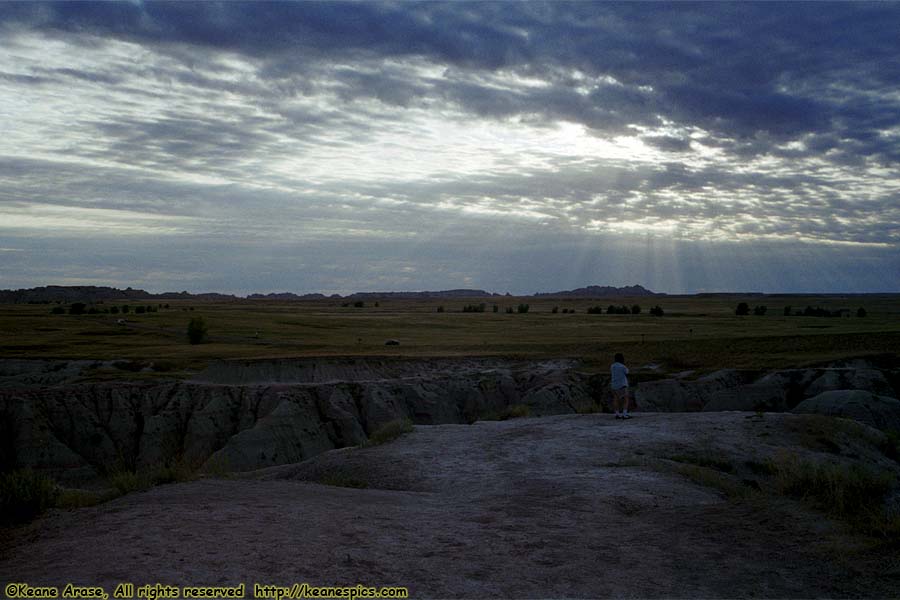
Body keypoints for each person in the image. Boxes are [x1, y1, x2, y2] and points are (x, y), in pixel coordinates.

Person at [610, 352, 631, 419]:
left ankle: (617, 414)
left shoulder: (612, 366)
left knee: (615, 399)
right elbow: (627, 372)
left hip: (614, 385)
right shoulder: (622, 366)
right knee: (625, 399)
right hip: (622, 385)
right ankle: (624, 414)